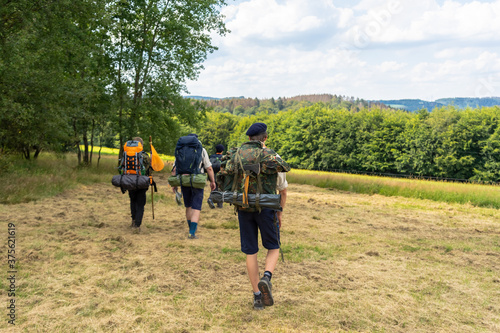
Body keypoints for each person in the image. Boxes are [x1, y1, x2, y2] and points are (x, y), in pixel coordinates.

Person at [234, 123, 290, 310]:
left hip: (243, 206)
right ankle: (267, 277)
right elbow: (283, 189)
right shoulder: (272, 157)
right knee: (273, 246)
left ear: (249, 139)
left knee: (251, 252)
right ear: (265, 138)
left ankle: (257, 297)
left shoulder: (237, 155)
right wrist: (280, 212)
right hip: (266, 208)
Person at [171, 134, 216, 239]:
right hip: (197, 180)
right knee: (196, 207)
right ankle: (192, 232)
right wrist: (212, 181)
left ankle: (190, 227)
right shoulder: (201, 149)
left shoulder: (180, 149)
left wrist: (174, 184)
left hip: (184, 180)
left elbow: (174, 169)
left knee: (188, 206)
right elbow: (208, 168)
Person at [120, 137, 150, 234]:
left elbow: (121, 166)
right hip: (141, 182)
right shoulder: (144, 156)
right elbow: (149, 169)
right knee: (140, 203)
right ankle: (137, 224)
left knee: (133, 200)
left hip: (130, 181)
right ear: (141, 145)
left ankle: (133, 220)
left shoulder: (126, 154)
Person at [208, 144, 224, 208]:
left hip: (212, 174)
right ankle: (219, 204)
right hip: (220, 175)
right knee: (220, 190)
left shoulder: (211, 157)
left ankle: (211, 199)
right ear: (222, 151)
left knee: (214, 188)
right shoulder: (223, 157)